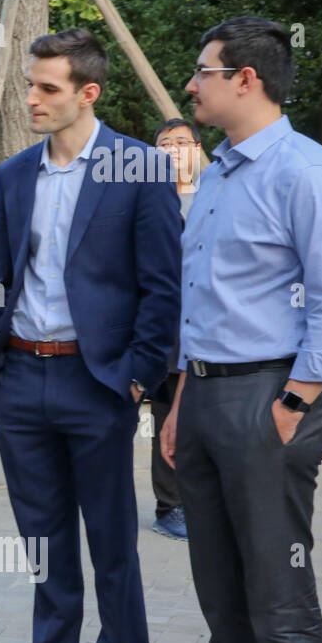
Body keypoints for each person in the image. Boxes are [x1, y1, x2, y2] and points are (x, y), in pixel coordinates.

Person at [0, 30, 181, 643]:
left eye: (48, 88)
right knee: (44, 542)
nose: (31, 97)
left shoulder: (141, 168)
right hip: (22, 379)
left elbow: (163, 288)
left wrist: (136, 379)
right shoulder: (14, 174)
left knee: (112, 542)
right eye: (30, 84)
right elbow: (3, 276)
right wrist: (0, 359)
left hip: (98, 385)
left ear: (88, 93)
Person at [161, 16, 322, 643]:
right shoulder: (217, 175)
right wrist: (182, 400)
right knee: (220, 585)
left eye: (201, 72)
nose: (190, 86)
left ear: (247, 79)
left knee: (279, 587)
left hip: (271, 395)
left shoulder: (307, 172)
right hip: (204, 395)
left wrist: (295, 403)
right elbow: (200, 304)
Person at [146, 118, 205, 542]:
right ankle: (170, 506)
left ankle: (206, 502)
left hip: (214, 329)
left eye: (182, 142)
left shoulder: (215, 198)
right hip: (168, 333)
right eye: (165, 144)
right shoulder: (146, 199)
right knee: (169, 418)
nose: (174, 149)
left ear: (198, 149)